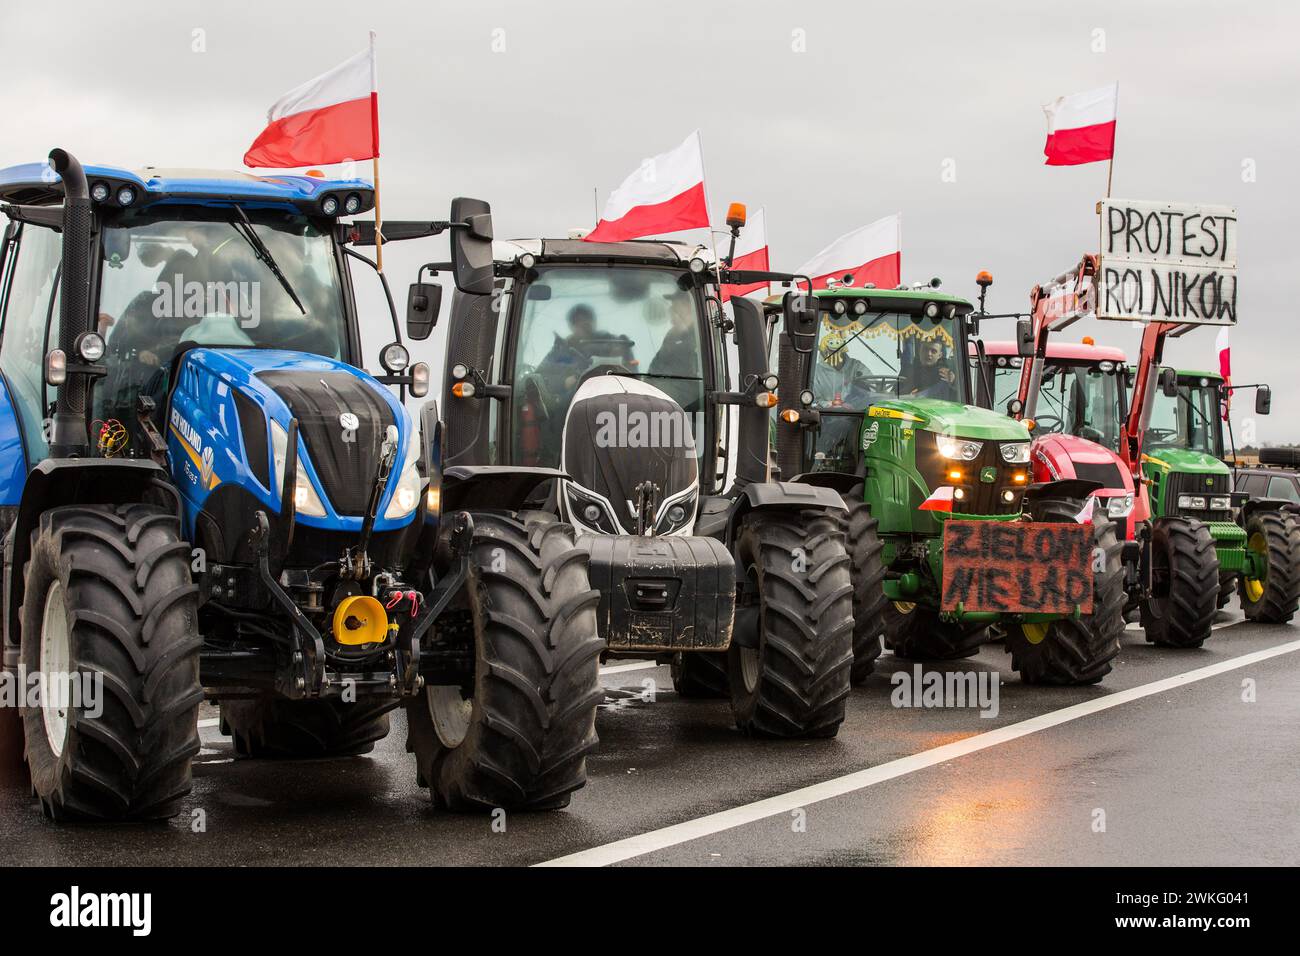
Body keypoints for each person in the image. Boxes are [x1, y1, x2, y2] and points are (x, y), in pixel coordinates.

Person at [649, 291, 701, 378]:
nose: (670, 309)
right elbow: (655, 367)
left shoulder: (700, 338)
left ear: (688, 307)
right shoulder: (672, 335)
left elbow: (687, 372)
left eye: (676, 304)